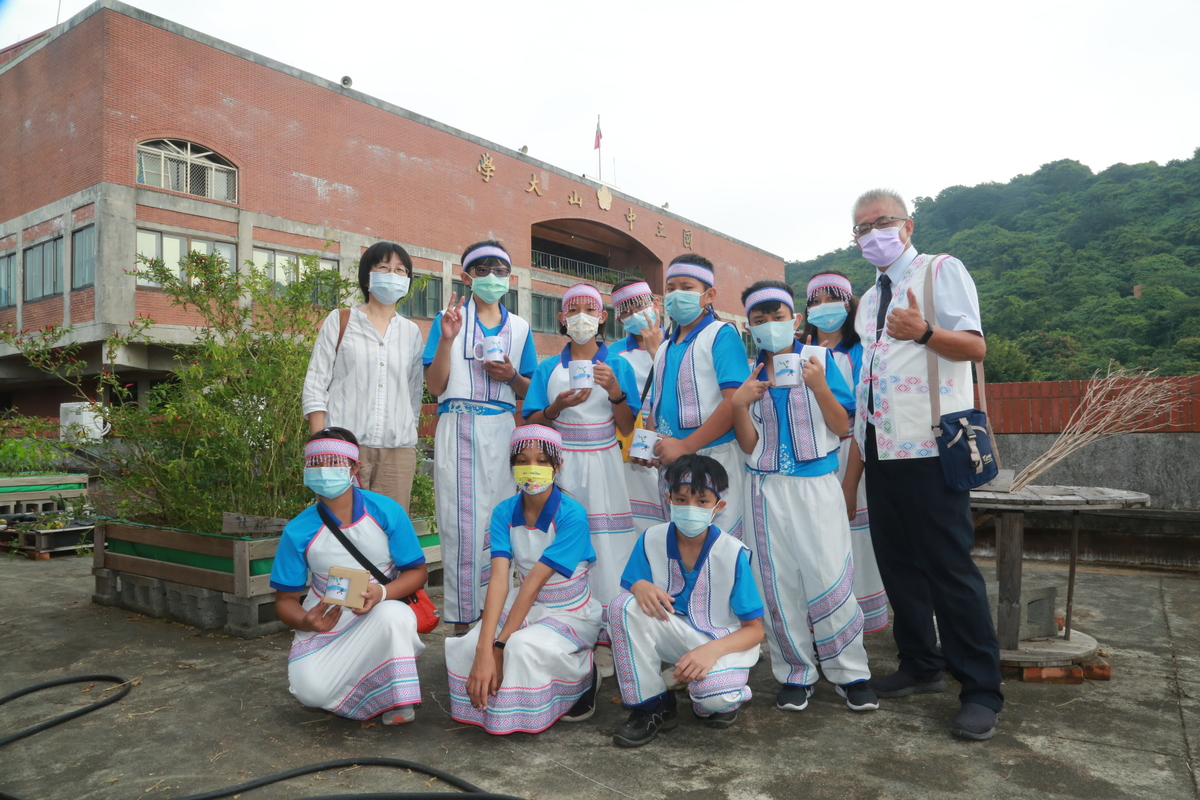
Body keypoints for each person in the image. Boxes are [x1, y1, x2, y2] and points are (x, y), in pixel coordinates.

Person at [850, 188, 1002, 740]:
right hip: (883, 450)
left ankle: (982, 689)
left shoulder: (941, 272)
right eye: (861, 229)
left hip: (932, 447)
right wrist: (860, 459)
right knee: (897, 564)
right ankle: (920, 664)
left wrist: (926, 333)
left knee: (949, 570)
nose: (872, 235)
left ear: (907, 226)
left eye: (881, 223)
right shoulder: (868, 301)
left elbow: (975, 348)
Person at [731, 280, 876, 714]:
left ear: (793, 319)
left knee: (829, 575)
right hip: (764, 489)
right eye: (759, 320)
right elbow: (748, 444)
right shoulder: (750, 373)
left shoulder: (824, 361)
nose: (770, 326)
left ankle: (851, 672)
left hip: (817, 488)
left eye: (777, 317)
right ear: (750, 327)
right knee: (776, 584)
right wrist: (739, 405)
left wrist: (819, 386)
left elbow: (842, 427)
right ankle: (795, 672)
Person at [445, 425, 602, 734]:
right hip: (525, 604)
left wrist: (499, 646)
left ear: (558, 466)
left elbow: (533, 584)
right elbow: (501, 580)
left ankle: (584, 676)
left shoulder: (573, 515)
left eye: (543, 461)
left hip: (569, 611)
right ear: (512, 466)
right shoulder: (504, 511)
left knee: (518, 648)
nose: (533, 468)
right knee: (471, 644)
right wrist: (483, 648)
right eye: (523, 460)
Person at [269, 428, 429, 725]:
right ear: (305, 470)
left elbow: (417, 572)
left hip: (379, 609)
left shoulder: (385, 511)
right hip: (327, 620)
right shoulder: (297, 530)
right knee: (311, 694)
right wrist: (305, 621)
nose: (323, 471)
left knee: (394, 617)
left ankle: (395, 699)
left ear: (354, 468)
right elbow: (285, 601)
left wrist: (380, 594)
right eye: (315, 463)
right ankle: (365, 689)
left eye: (333, 462)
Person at [608, 454, 764, 747]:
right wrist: (640, 585)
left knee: (713, 699)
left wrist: (710, 652)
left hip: (721, 642)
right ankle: (652, 706)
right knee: (622, 607)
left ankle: (720, 695)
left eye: (702, 502)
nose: (690, 508)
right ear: (668, 499)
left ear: (718, 506)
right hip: (675, 633)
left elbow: (755, 630)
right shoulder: (651, 538)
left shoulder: (732, 553)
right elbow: (634, 596)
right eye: (681, 500)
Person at [424, 240, 538, 633]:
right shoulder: (447, 319)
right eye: (484, 270)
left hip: (504, 429)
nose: (493, 278)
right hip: (458, 425)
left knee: (503, 523)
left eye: (501, 271)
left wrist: (512, 377)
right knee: (460, 525)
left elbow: (530, 391)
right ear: (466, 275)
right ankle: (463, 621)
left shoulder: (521, 328)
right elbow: (435, 386)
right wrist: (447, 339)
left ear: (511, 277)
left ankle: (503, 621)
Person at [522, 284, 641, 650]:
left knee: (608, 542)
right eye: (572, 310)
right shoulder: (547, 368)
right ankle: (566, 621)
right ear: (561, 318)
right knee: (564, 538)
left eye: (590, 309)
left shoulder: (618, 365)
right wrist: (556, 407)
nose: (581, 316)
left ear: (602, 317)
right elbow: (529, 425)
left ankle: (611, 630)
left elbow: (625, 425)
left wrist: (616, 390)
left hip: (604, 462)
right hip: (562, 463)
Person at [302, 242, 424, 511]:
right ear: (367, 277)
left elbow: (414, 392)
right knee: (339, 529)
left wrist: (408, 432)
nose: (392, 274)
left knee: (387, 533)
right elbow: (315, 384)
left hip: (397, 452)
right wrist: (321, 444)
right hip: (343, 448)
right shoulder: (340, 319)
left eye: (400, 270)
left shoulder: (411, 332)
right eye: (383, 267)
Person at [638, 254, 751, 540]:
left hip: (714, 459)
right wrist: (649, 445)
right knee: (681, 544)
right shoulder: (664, 346)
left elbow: (734, 401)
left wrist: (686, 445)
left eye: (687, 287)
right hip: (674, 463)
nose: (677, 294)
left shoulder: (721, 335)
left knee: (718, 545)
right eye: (671, 287)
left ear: (709, 294)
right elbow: (659, 401)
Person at [801, 271, 889, 634]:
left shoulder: (861, 352)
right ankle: (815, 619)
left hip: (851, 457)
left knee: (853, 539)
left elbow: (861, 423)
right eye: (815, 300)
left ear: (850, 303)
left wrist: (850, 483)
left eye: (832, 298)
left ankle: (852, 623)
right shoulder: (796, 351)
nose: (824, 308)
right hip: (806, 460)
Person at [609, 279, 668, 535]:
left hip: (674, 442)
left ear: (655, 304)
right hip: (633, 448)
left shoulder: (679, 343)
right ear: (618, 318)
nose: (633, 315)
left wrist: (658, 353)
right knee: (638, 521)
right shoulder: (614, 354)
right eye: (625, 311)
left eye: (638, 306)